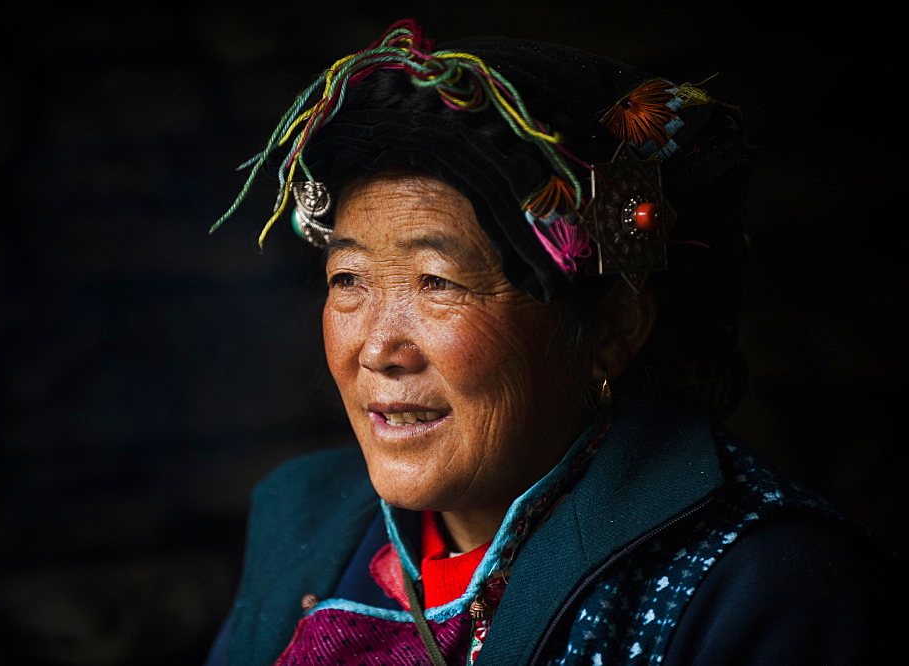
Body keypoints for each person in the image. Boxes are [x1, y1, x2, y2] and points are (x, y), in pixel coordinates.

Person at [204, 20, 894, 665]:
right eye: (349, 277)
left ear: (614, 330)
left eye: (438, 282)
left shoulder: (759, 582)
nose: (380, 348)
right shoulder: (303, 518)